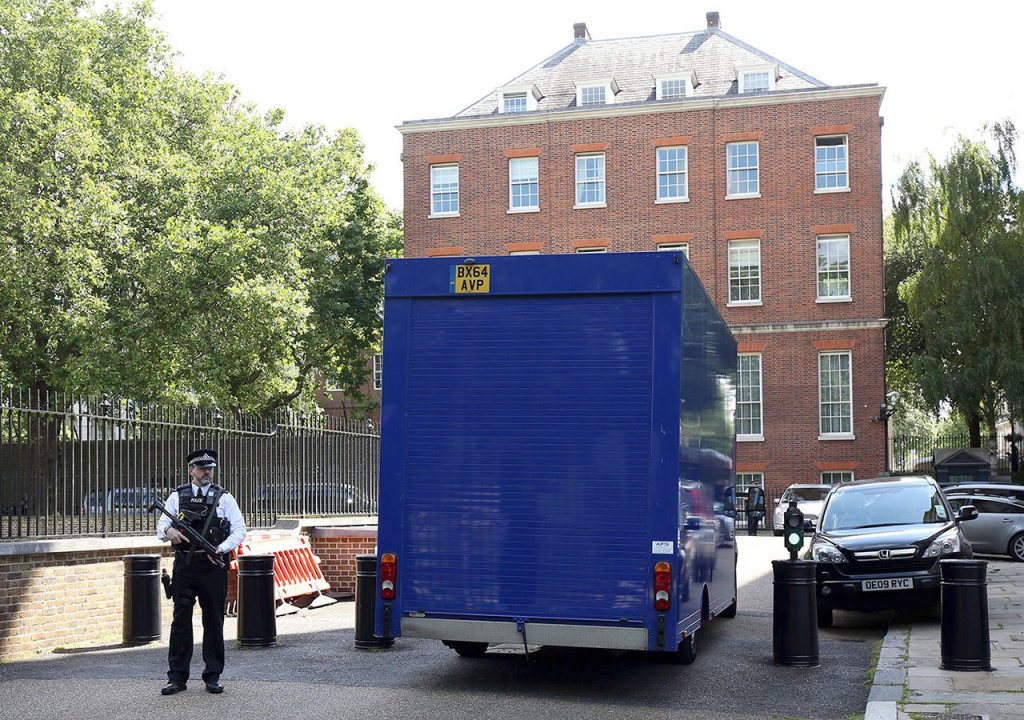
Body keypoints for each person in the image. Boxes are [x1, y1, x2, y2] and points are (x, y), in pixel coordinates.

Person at [156, 449, 246, 696]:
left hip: (212, 566)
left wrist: (221, 548)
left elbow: (240, 530)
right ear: (191, 470)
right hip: (185, 565)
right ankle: (177, 678)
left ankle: (213, 675)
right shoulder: (177, 496)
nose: (207, 472)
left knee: (214, 621)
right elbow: (161, 526)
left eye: (210, 468)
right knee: (181, 621)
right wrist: (169, 533)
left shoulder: (224, 498)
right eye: (202, 468)